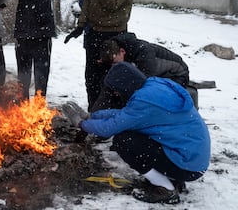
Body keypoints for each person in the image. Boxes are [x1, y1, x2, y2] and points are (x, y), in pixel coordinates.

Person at [65, 62, 210, 204]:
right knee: (133, 136)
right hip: (192, 157)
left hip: (188, 164)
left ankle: (165, 189)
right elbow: (124, 115)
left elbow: (110, 128)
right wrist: (93, 117)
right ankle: (172, 178)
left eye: (116, 89)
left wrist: (81, 124)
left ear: (124, 85)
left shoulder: (144, 102)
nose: (116, 93)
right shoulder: (153, 87)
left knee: (124, 142)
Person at [64, 0, 137, 112]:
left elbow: (112, 3)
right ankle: (94, 115)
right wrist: (81, 25)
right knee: (92, 78)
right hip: (94, 32)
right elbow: (89, 0)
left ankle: (110, 119)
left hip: (113, 35)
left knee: (109, 80)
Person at [92, 32, 198, 111]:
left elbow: (145, 83)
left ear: (122, 51)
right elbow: (107, 86)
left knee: (147, 97)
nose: (113, 67)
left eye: (114, 63)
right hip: (156, 75)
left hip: (176, 76)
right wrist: (95, 114)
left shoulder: (144, 52)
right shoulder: (115, 53)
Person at [8, 0, 62, 100]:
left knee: (42, 71)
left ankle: (40, 102)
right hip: (23, 33)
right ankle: (23, 101)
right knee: (23, 72)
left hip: (42, 34)